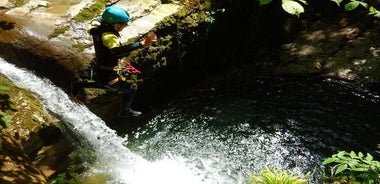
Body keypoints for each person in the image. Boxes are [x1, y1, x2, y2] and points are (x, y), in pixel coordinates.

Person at [89, 5, 157, 117]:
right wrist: (142, 43)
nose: (125, 26)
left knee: (109, 83)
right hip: (107, 74)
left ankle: (81, 85)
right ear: (116, 25)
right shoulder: (109, 37)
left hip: (100, 66)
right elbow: (118, 51)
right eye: (124, 25)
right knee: (130, 90)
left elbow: (95, 20)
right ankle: (125, 112)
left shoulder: (96, 28)